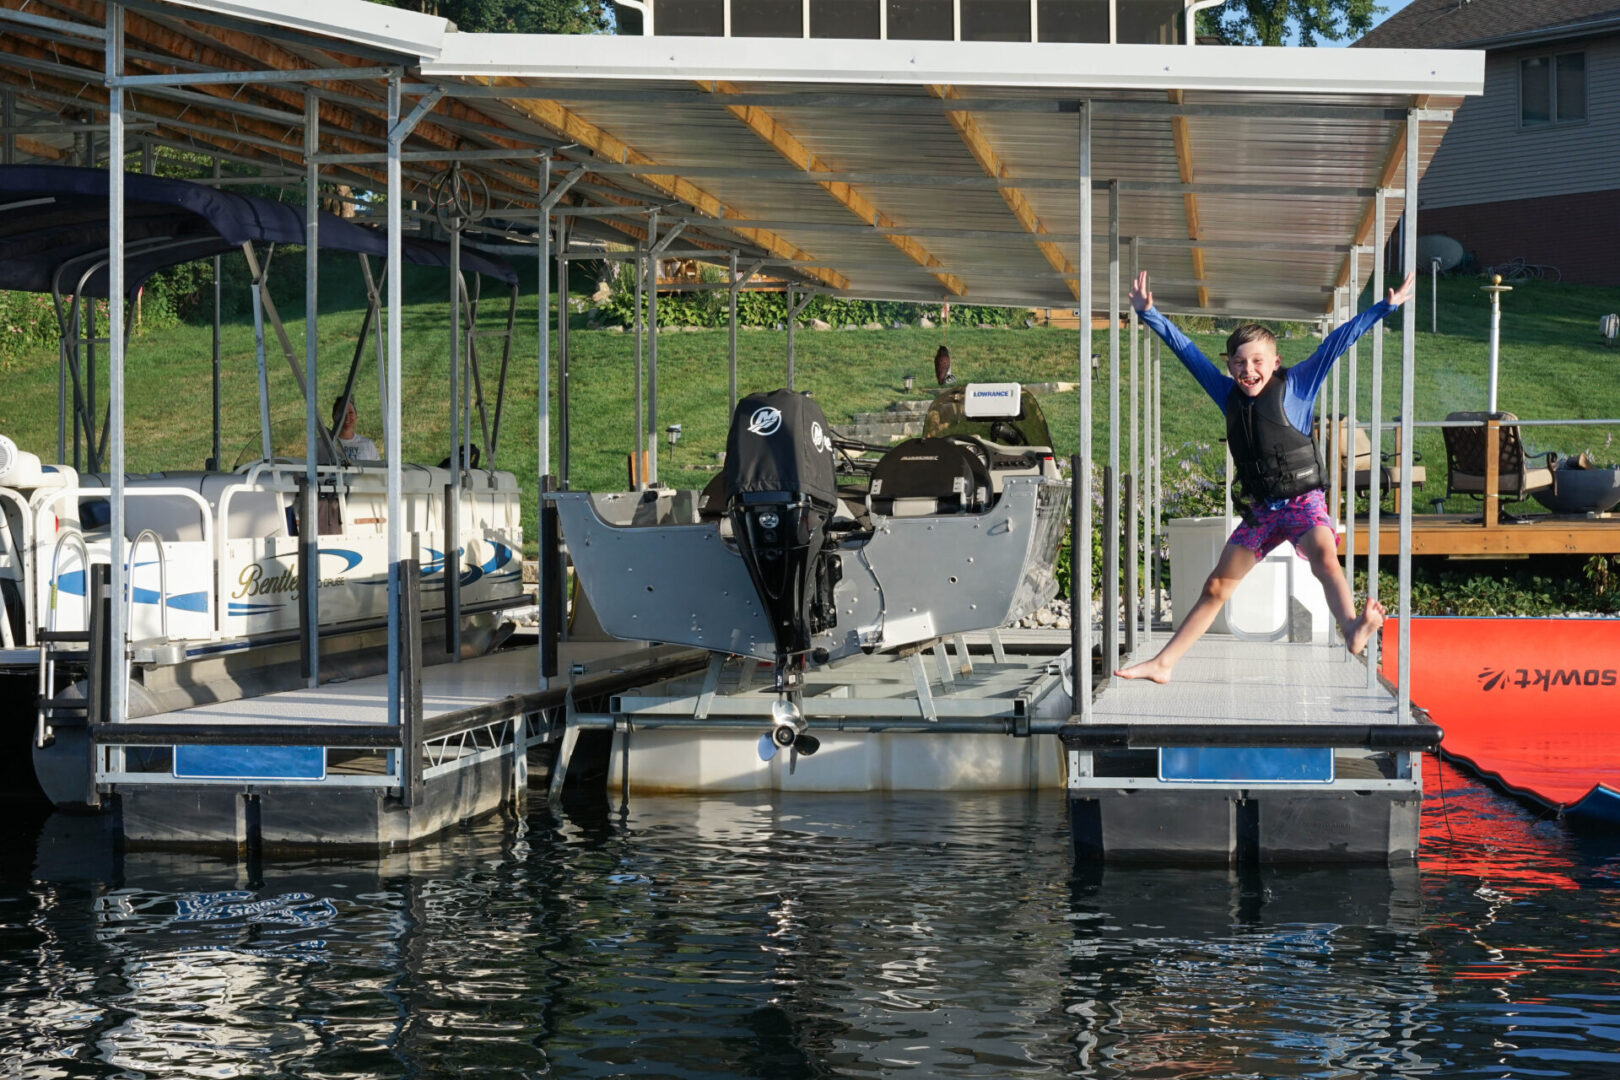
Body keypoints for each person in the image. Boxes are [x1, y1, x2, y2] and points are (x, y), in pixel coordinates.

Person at [1115, 268, 1416, 684]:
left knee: (1324, 557)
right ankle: (1163, 664)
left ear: (1275, 363)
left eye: (1258, 361)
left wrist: (1385, 307)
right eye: (1239, 362)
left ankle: (1351, 627)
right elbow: (1188, 353)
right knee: (1217, 586)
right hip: (1262, 511)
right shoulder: (1227, 395)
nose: (1248, 370)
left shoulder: (1298, 386)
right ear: (1230, 365)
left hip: (1303, 503)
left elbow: (1338, 341)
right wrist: (1150, 314)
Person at [331, 396, 379, 462]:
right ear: (334, 416)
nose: (347, 417)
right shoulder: (323, 445)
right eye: (342, 412)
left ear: (356, 415)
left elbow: (378, 471)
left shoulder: (367, 445)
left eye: (351, 413)